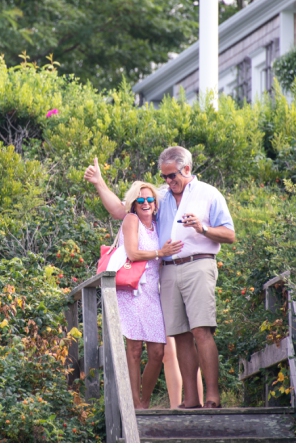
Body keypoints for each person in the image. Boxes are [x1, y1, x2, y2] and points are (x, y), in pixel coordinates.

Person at [85, 146, 235, 409]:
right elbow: (122, 210)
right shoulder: (162, 197)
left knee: (201, 329)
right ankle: (191, 400)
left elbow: (230, 234)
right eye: (164, 176)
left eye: (172, 176)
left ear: (186, 169)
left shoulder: (208, 193)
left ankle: (212, 396)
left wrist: (202, 227)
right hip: (167, 271)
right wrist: (99, 182)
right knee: (179, 335)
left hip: (198, 263)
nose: (167, 181)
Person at [113, 181, 183, 409]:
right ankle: (135, 404)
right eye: (140, 200)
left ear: (155, 204)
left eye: (149, 199)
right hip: (133, 291)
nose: (145, 203)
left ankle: (144, 400)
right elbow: (132, 253)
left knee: (157, 352)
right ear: (133, 204)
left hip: (153, 291)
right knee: (134, 349)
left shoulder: (157, 224)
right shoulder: (131, 220)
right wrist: (159, 253)